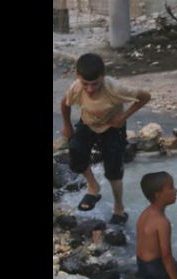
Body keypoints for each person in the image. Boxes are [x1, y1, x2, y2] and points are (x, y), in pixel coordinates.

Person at [61, 53, 151, 224]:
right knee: (75, 151)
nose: (89, 89)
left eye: (95, 84)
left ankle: (119, 207)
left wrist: (123, 117)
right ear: (78, 77)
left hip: (112, 128)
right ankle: (93, 187)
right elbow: (64, 104)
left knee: (113, 170)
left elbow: (145, 96)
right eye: (85, 84)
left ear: (103, 76)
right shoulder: (76, 87)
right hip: (87, 124)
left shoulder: (115, 88)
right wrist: (67, 126)